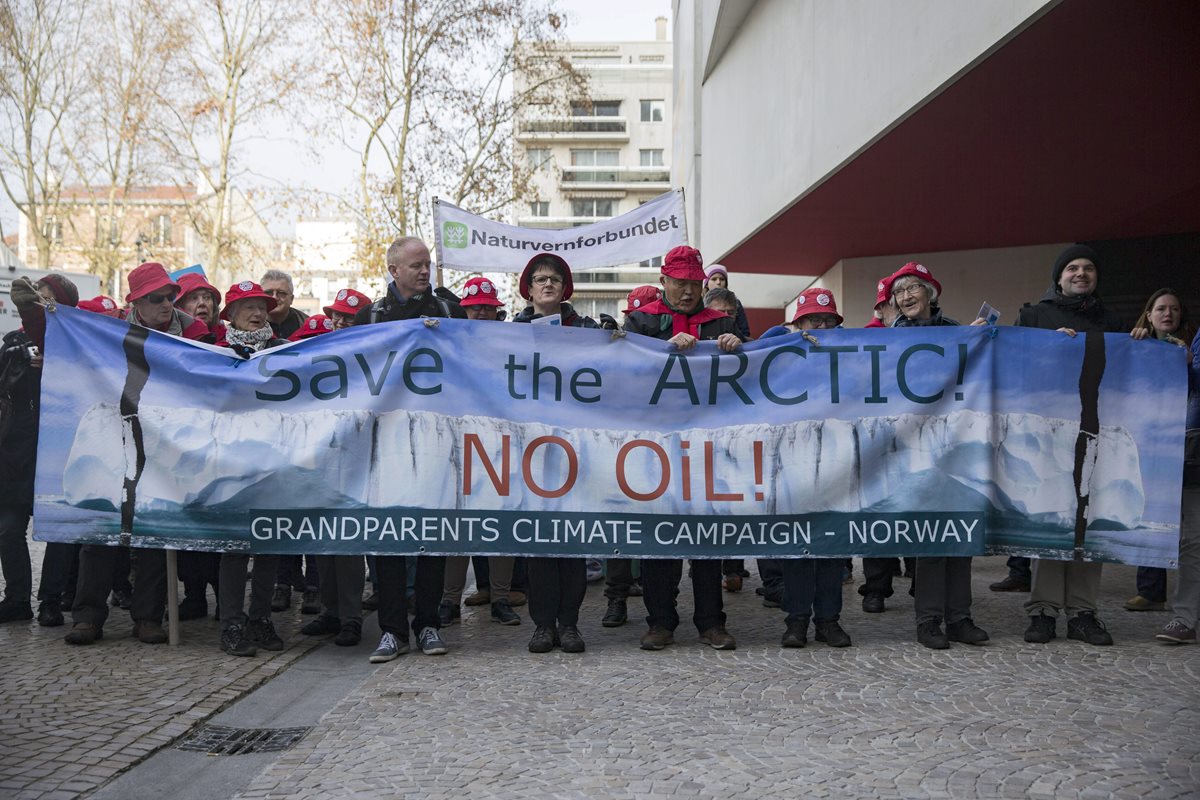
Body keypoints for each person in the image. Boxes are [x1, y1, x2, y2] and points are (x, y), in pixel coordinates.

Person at [64, 262, 209, 645]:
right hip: (115, 432)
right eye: (156, 298)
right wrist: (35, 313)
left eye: (170, 296)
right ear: (136, 303)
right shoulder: (109, 329)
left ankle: (148, 617)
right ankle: (87, 616)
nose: (166, 304)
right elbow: (63, 340)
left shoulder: (195, 332)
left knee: (154, 528)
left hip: (169, 439)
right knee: (103, 525)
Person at [351, 236, 466, 663]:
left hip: (436, 438)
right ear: (393, 269)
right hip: (387, 441)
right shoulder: (370, 316)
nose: (424, 271)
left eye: (427, 264)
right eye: (416, 265)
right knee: (389, 540)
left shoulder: (449, 312)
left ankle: (429, 624)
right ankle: (392, 631)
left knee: (431, 536)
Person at [625, 245, 744, 651]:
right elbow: (624, 370)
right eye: (680, 284)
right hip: (655, 447)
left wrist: (739, 345)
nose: (689, 292)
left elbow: (747, 373)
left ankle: (711, 622)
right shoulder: (641, 322)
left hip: (708, 449)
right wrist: (660, 351)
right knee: (659, 539)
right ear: (663, 281)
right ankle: (661, 621)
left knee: (707, 539)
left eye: (694, 284)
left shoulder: (721, 323)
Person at [1018, 244, 1124, 647]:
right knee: (1053, 518)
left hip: (1097, 427)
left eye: (1089, 268)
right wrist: (1046, 347)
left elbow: (1124, 371)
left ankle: (1082, 612)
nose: (1081, 273)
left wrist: (1141, 342)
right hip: (1049, 432)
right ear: (1059, 276)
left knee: (1089, 519)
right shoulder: (1034, 316)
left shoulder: (1111, 319)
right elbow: (1017, 364)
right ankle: (1043, 610)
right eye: (1073, 268)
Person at [888, 263, 989, 649]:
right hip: (915, 447)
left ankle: (960, 618)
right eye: (899, 292)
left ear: (930, 293)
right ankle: (928, 620)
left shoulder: (956, 331)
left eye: (913, 288)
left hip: (957, 443)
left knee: (960, 534)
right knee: (929, 536)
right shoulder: (888, 340)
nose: (906, 297)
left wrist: (979, 340)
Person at [512, 255, 598, 653]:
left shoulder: (587, 330)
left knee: (572, 542)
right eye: (540, 279)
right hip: (529, 448)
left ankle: (570, 624)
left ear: (565, 288)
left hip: (574, 448)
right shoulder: (509, 332)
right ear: (528, 289)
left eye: (555, 279)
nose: (547, 284)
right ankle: (543, 625)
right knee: (539, 542)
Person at [212, 281, 290, 656]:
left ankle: (260, 619)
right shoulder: (213, 353)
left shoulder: (284, 351)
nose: (257, 313)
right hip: (231, 461)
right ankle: (231, 623)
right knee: (234, 547)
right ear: (231, 315)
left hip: (273, 460)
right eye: (248, 307)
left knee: (269, 544)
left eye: (261, 306)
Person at [440, 276, 521, 628]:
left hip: (500, 444)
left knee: (500, 526)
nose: (482, 314)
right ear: (464, 311)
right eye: (475, 309)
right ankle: (449, 601)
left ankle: (500, 598)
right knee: (458, 528)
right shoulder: (448, 344)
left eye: (488, 308)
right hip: (459, 445)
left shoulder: (510, 345)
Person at [1, 275, 79, 625]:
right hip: (16, 451)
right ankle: (17, 599)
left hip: (59, 453)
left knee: (59, 532)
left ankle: (51, 599)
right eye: (35, 299)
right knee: (8, 529)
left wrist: (57, 370)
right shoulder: (15, 342)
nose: (39, 305)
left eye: (46, 300)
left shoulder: (77, 349)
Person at [778, 288, 853, 649]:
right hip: (795, 459)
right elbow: (759, 345)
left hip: (836, 459)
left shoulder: (851, 355)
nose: (821, 327)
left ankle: (828, 620)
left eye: (828, 321)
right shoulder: (781, 352)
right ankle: (796, 620)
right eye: (813, 320)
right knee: (796, 546)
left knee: (831, 544)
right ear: (799, 324)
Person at [1126, 290, 1194, 612]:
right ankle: (1151, 591)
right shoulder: (1136, 344)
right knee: (1150, 513)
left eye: (1175, 309)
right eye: (1162, 309)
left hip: (1183, 442)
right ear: (1149, 315)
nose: (1168, 314)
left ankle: (1188, 597)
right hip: (1147, 438)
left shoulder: (1191, 348)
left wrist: (1189, 363)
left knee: (1186, 523)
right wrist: (1134, 346)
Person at [1157, 326, 1200, 644]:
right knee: (1193, 540)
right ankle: (1185, 617)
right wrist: (1184, 364)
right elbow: (1190, 387)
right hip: (1196, 450)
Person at [703, 264, 751, 339]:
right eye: (714, 279)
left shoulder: (736, 302)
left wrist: (739, 340)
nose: (718, 282)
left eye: (722, 279)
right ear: (706, 283)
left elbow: (744, 331)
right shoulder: (699, 304)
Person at [174, 273, 225, 341]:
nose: (202, 303)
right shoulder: (172, 342)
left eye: (206, 297)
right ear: (180, 307)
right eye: (194, 298)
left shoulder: (229, 338)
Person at [261, 269, 307, 339]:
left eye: (281, 293)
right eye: (268, 293)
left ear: (291, 299)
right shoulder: (249, 324)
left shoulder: (306, 323)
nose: (274, 297)